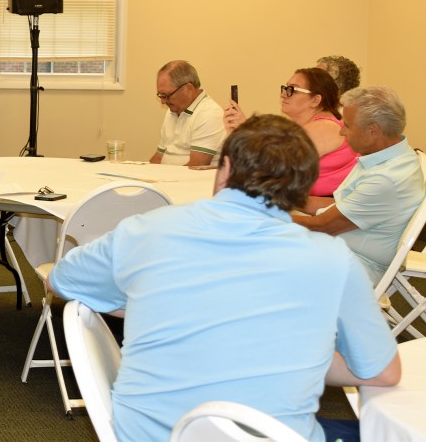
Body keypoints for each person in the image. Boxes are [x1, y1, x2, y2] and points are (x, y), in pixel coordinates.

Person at [48, 114, 401, 442]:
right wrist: (299, 354)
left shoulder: (145, 231)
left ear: (226, 167)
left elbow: (60, 280)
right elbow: (384, 374)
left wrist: (152, 305)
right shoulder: (332, 260)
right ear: (304, 187)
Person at [293, 86, 425, 286]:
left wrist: (266, 216)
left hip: (354, 265)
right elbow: (340, 205)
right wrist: (279, 199)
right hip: (341, 250)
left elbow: (322, 225)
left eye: (347, 125)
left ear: (373, 130)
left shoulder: (385, 179)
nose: (341, 131)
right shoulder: (392, 157)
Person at [223, 68, 357, 196]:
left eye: (292, 89)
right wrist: (239, 132)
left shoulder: (324, 128)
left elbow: (272, 168)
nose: (283, 94)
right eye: (285, 88)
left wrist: (244, 131)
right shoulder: (304, 126)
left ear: (315, 100)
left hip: (319, 206)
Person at [150, 60, 225, 166]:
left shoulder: (209, 113)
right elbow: (158, 158)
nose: (163, 101)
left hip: (190, 176)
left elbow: (196, 165)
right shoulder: (172, 111)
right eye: (160, 95)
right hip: (168, 175)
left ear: (188, 88)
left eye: (166, 95)